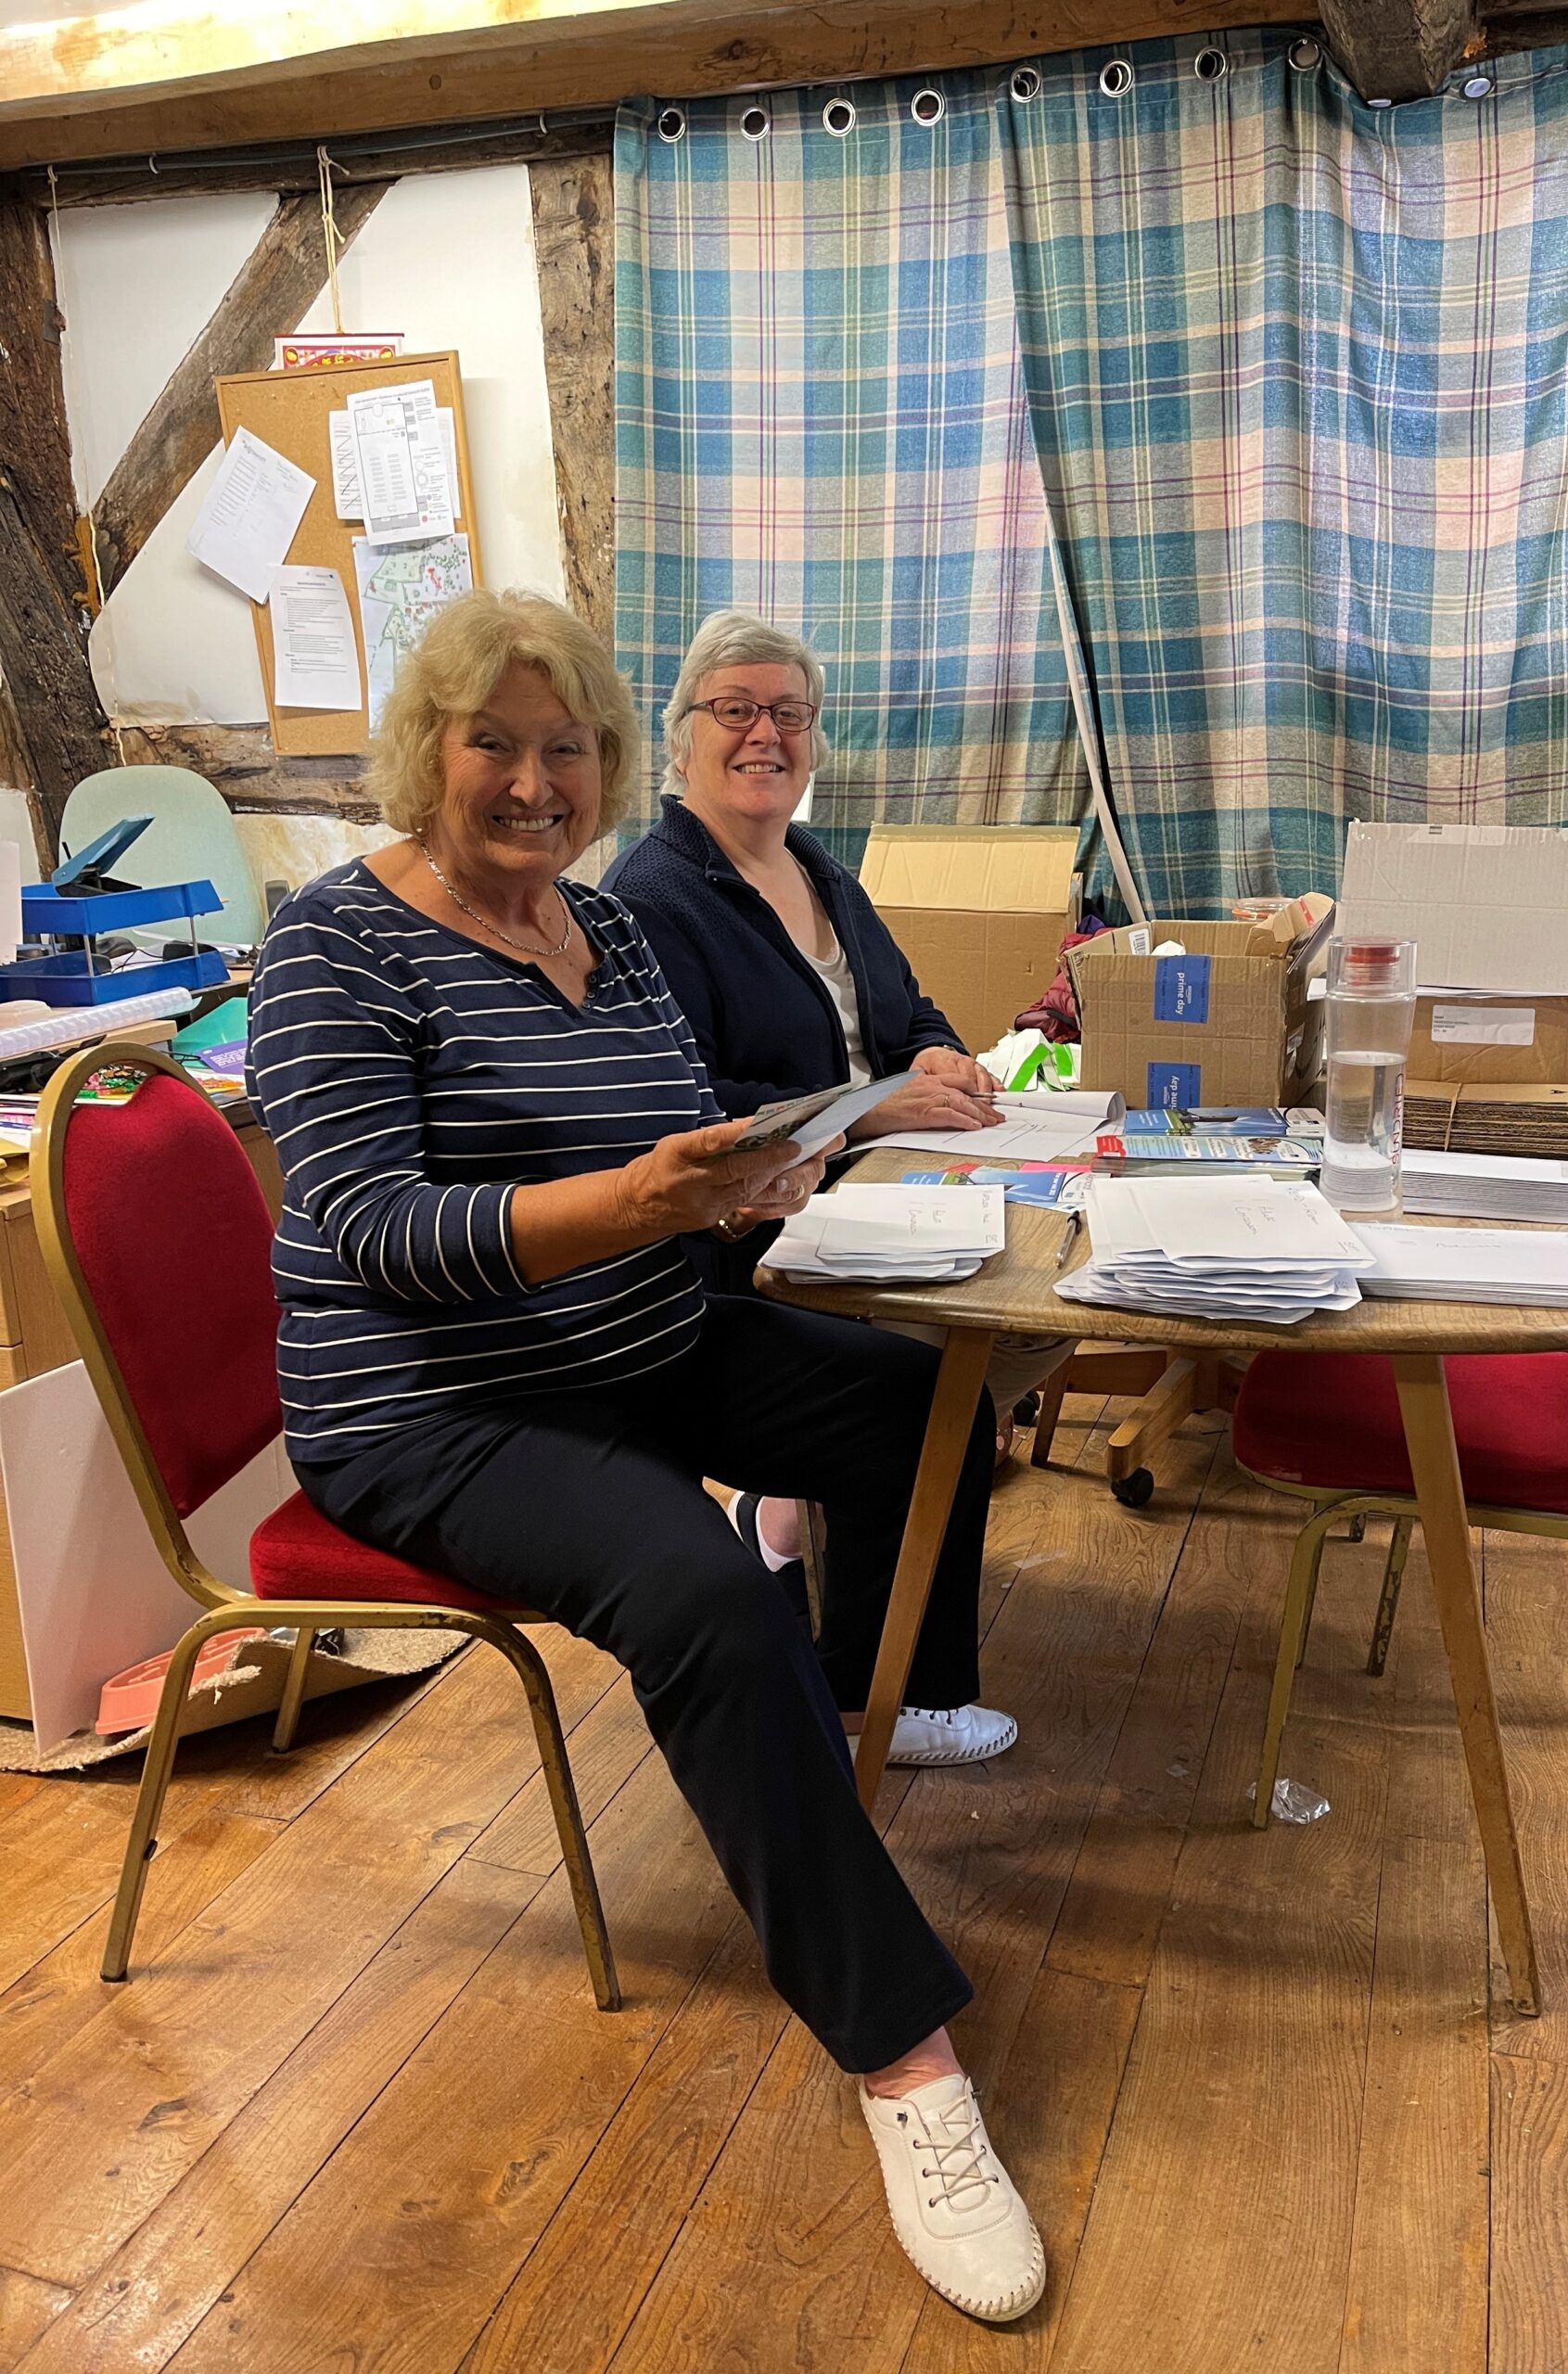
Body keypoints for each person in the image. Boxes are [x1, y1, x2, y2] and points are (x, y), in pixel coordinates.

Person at [246, 589, 1044, 2326]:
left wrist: (763, 1178)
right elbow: (380, 1228)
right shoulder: (332, 946)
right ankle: (903, 2064)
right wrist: (650, 1199)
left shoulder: (603, 924)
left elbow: (685, 1156)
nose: (535, 782)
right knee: (696, 1584)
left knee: (931, 1397)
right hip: (434, 1411)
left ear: (608, 765)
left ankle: (846, 1712)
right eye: (496, 746)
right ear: (424, 755)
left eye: (567, 750)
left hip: (642, 1339)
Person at [603, 608, 1074, 1554]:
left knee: (1058, 1284)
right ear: (680, 735)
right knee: (949, 1358)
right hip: (769, 1218)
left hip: (893, 1177)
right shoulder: (647, 896)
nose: (765, 733)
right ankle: (841, 1502)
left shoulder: (822, 870)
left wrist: (938, 1053)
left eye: (790, 712)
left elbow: (912, 1010)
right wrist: (862, 1118)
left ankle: (796, 1510)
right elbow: (683, 1109)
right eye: (735, 708)